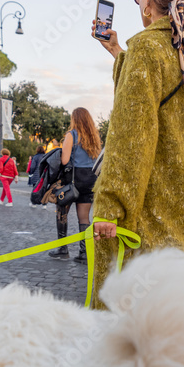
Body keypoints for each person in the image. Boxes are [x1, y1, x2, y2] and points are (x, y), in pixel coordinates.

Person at [88, 0, 184, 308]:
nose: (138, 1)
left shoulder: (146, 49)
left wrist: (110, 206)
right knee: (178, 313)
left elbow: (131, 134)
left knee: (129, 318)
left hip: (147, 207)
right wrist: (117, 52)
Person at [48, 109, 102, 262]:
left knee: (62, 212)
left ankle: (63, 249)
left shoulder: (71, 135)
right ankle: (84, 253)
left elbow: (65, 160)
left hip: (73, 179)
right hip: (90, 179)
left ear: (74, 119)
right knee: (84, 217)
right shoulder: (94, 136)